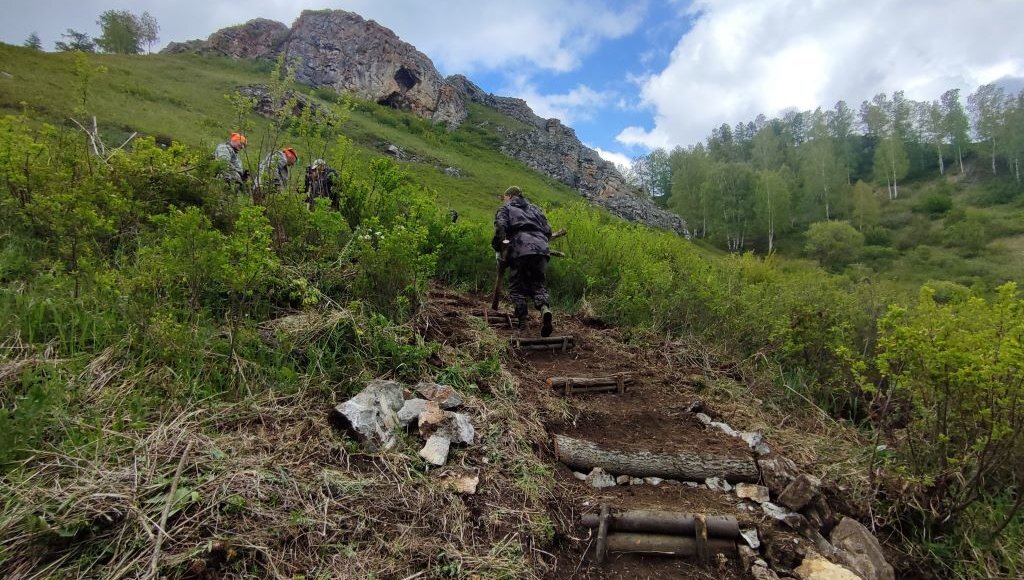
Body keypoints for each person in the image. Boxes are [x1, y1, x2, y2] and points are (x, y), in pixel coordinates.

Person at [493, 185, 554, 336]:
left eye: (505, 198)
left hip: (520, 248)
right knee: (538, 284)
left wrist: (498, 245)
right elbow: (548, 230)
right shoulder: (535, 209)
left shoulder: (506, 209)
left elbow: (501, 226)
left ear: (510, 196)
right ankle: (544, 308)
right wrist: (541, 244)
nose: (505, 200)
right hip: (541, 250)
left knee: (517, 288)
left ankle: (523, 324)